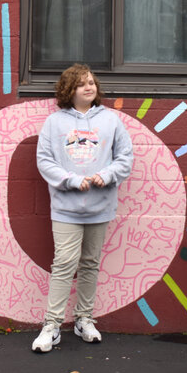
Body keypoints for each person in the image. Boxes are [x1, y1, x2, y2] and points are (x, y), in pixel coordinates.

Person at [31, 64, 134, 353]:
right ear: (69, 90)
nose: (89, 87)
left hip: (100, 207)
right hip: (66, 208)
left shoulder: (111, 120)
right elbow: (45, 161)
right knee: (64, 263)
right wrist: (72, 181)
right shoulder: (54, 123)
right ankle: (51, 325)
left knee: (89, 263)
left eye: (91, 82)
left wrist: (108, 175)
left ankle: (84, 319)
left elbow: (125, 156)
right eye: (81, 84)